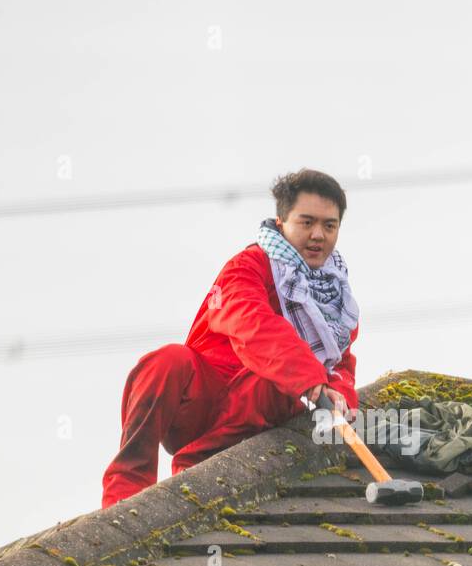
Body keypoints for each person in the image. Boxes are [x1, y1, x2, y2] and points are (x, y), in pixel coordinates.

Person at [101, 168, 360, 508]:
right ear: (281, 222)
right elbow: (251, 324)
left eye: (329, 225)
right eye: (306, 222)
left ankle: (197, 471)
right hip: (203, 402)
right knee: (165, 361)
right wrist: (309, 378)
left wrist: (339, 395)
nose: (318, 235)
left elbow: (340, 363)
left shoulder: (336, 298)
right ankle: (125, 499)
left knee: (278, 384)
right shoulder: (247, 266)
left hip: (254, 410)